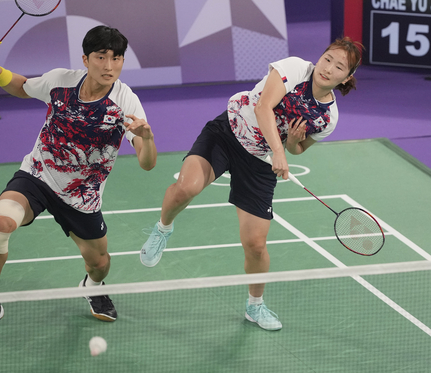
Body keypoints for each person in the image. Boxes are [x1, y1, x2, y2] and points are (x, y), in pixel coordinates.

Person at [140, 37, 363, 331]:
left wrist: (293, 143)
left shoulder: (328, 118)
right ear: (319, 57)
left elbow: (300, 149)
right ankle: (162, 229)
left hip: (259, 160)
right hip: (229, 131)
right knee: (187, 187)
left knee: (256, 244)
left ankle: (254, 306)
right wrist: (281, 151)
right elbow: (263, 108)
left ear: (346, 77)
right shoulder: (295, 69)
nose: (328, 68)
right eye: (327, 59)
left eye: (339, 67)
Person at [0, 25, 157, 345]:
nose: (109, 66)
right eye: (101, 57)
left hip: (82, 196)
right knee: (1, 223)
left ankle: (91, 287)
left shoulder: (126, 100)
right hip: (39, 175)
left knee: (99, 265)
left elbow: (147, 162)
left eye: (117, 58)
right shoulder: (61, 81)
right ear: (86, 60)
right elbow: (23, 86)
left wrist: (147, 137)